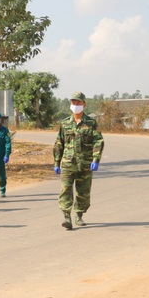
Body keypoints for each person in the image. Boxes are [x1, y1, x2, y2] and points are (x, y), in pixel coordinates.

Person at [53, 91, 105, 230]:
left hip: (85, 164)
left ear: (84, 104)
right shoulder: (64, 124)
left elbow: (98, 141)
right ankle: (66, 217)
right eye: (73, 102)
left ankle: (79, 214)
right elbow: (59, 143)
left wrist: (96, 159)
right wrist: (57, 162)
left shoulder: (91, 123)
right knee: (66, 190)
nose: (75, 105)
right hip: (68, 163)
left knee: (83, 192)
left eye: (78, 102)